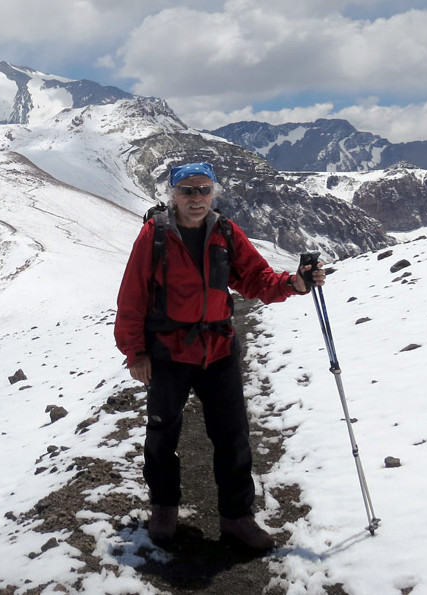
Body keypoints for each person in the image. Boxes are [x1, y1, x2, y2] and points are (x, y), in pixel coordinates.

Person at [113, 161, 325, 551]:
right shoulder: (154, 235)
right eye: (188, 191)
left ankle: (237, 517)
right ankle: (164, 508)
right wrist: (135, 352)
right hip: (168, 352)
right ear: (172, 194)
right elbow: (132, 296)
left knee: (232, 435)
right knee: (162, 434)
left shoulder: (225, 231)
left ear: (213, 193)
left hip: (220, 349)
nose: (196, 198)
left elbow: (255, 277)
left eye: (204, 190)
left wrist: (294, 284)